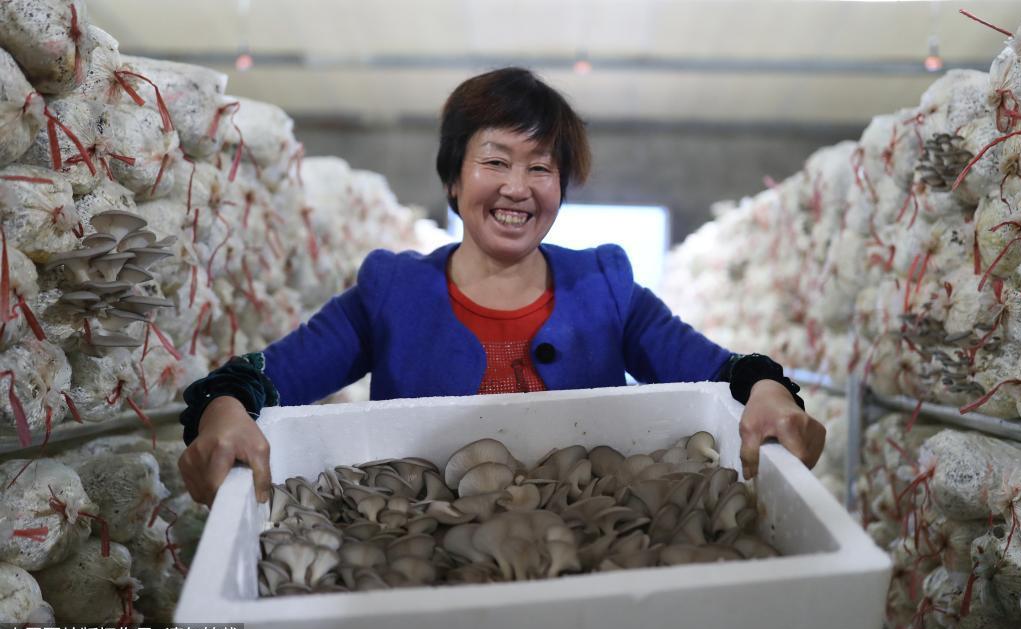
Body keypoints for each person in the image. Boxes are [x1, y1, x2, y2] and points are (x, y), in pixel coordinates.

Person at [178, 67, 825, 506]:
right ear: (454, 181)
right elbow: (260, 378)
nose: (518, 186)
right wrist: (225, 411)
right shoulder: (391, 293)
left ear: (560, 189)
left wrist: (769, 390)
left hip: (589, 545)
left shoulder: (607, 287)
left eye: (541, 167)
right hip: (420, 551)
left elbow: (723, 370)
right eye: (495, 161)